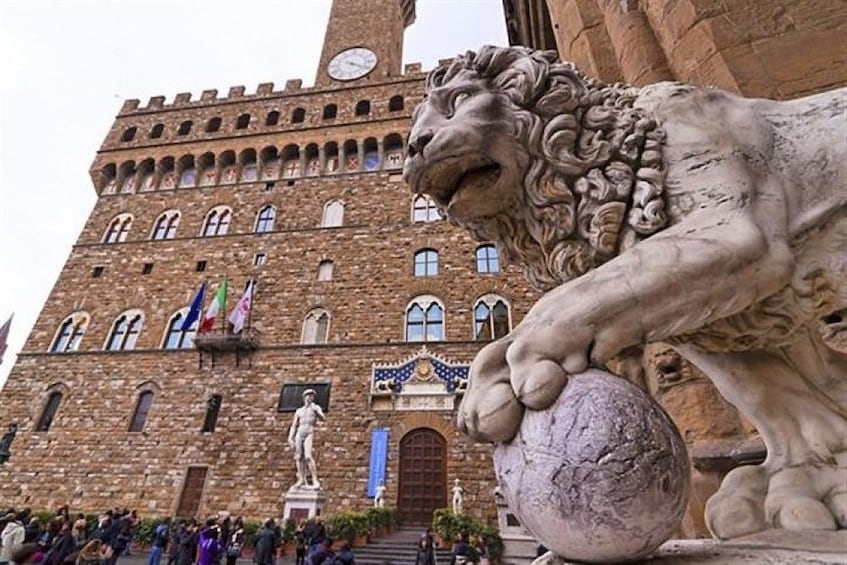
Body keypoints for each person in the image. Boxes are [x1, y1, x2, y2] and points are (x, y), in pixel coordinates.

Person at [287, 389, 326, 490]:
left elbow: (323, 418)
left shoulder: (315, 407)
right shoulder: (299, 411)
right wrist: (290, 438)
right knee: (298, 457)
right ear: (304, 397)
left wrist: (317, 411)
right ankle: (301, 479)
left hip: (309, 431)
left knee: (308, 456)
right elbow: (294, 425)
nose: (310, 397)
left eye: (311, 396)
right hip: (300, 432)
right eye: (308, 395)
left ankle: (315, 480)